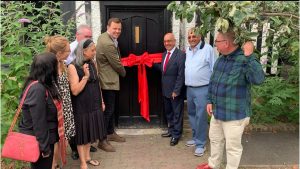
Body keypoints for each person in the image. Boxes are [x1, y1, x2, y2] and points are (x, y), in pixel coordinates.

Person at [196, 30, 265, 169]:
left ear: (226, 43)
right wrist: (209, 100)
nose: (215, 45)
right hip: (218, 111)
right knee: (215, 140)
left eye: (217, 41)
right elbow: (213, 82)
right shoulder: (221, 59)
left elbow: (259, 79)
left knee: (232, 147)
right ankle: (213, 165)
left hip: (235, 114)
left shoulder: (244, 59)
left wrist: (249, 56)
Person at [68, 38, 106, 169]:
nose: (95, 52)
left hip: (94, 103)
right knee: (83, 134)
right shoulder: (72, 67)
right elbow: (75, 90)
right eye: (92, 50)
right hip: (81, 106)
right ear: (84, 51)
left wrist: (101, 100)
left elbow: (97, 84)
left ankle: (88, 157)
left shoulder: (92, 63)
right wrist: (85, 76)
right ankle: (83, 163)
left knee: (91, 132)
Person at [18, 52, 60, 169]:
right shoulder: (38, 89)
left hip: (44, 139)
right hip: (40, 143)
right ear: (49, 69)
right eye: (56, 65)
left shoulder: (41, 84)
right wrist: (44, 148)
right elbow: (39, 122)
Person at [65, 24, 98, 160]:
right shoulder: (70, 51)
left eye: (90, 36)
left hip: (90, 99)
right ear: (78, 36)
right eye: (87, 36)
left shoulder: (91, 61)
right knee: (79, 129)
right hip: (78, 98)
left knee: (88, 129)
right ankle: (75, 150)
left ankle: (86, 152)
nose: (90, 38)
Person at [44, 35, 75, 169]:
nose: (70, 52)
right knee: (56, 139)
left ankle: (56, 164)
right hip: (57, 108)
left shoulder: (62, 64)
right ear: (59, 53)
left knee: (63, 139)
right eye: (68, 50)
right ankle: (53, 165)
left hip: (65, 106)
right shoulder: (49, 67)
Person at [185, 28, 217, 157]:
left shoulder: (208, 49)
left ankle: (201, 144)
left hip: (203, 88)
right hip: (190, 88)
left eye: (194, 36)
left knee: (201, 116)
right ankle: (195, 137)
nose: (191, 39)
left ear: (200, 37)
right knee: (192, 114)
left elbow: (214, 69)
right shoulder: (188, 50)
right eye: (189, 37)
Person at [96, 17, 126, 152]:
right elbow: (116, 64)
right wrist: (124, 72)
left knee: (111, 109)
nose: (117, 31)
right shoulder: (107, 43)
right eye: (115, 28)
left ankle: (110, 133)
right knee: (107, 111)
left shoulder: (104, 37)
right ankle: (102, 140)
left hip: (109, 80)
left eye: (119, 29)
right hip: (107, 81)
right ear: (108, 27)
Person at [159, 33, 186, 146]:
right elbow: (165, 71)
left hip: (175, 91)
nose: (167, 43)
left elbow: (181, 74)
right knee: (169, 113)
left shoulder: (180, 55)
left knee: (177, 114)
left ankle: (176, 135)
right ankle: (171, 131)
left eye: (169, 41)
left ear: (174, 41)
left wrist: (176, 90)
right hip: (165, 90)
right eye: (165, 41)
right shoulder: (165, 54)